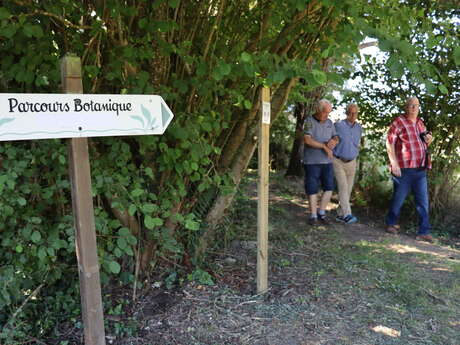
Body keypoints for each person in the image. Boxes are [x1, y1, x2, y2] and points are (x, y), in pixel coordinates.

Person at [385, 96, 434, 242]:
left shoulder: (420, 123)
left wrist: (429, 139)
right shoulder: (398, 122)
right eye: (411, 105)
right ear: (406, 107)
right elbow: (389, 143)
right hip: (404, 169)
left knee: (423, 202)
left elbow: (425, 142)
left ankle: (423, 232)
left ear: (419, 107)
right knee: (398, 199)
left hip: (420, 169)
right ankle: (391, 223)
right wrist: (394, 163)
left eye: (416, 105)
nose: (413, 108)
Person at [303, 99, 339, 225]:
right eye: (324, 112)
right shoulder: (308, 121)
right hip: (311, 162)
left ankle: (321, 213)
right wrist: (324, 146)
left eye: (328, 112)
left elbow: (336, 136)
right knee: (312, 189)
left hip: (327, 162)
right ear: (318, 110)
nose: (326, 115)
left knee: (329, 188)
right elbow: (307, 140)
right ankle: (313, 216)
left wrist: (334, 141)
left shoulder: (330, 122)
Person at [333, 103, 362, 224]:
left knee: (348, 190)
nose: (353, 115)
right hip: (338, 161)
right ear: (346, 112)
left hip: (352, 162)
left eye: (355, 113)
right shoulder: (338, 125)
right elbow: (331, 140)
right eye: (350, 112)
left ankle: (340, 214)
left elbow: (357, 143)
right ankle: (347, 214)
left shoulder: (359, 128)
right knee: (343, 187)